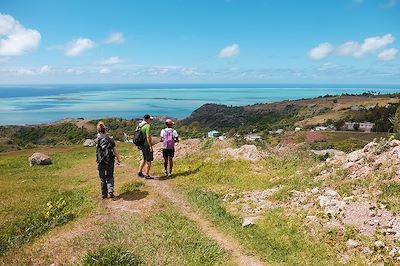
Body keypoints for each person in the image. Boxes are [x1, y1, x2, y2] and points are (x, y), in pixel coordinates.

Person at [95, 121, 121, 199]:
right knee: (110, 176)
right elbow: (115, 150)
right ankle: (111, 190)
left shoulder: (96, 140)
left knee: (102, 178)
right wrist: (118, 159)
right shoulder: (110, 139)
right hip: (110, 161)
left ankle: (104, 195)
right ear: (105, 130)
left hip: (100, 161)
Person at [137, 114, 154, 179]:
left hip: (141, 144)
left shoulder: (139, 125)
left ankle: (139, 172)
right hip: (146, 145)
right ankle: (147, 174)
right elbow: (148, 137)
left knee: (144, 158)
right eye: (150, 119)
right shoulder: (147, 126)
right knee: (149, 160)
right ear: (147, 119)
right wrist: (150, 146)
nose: (150, 120)